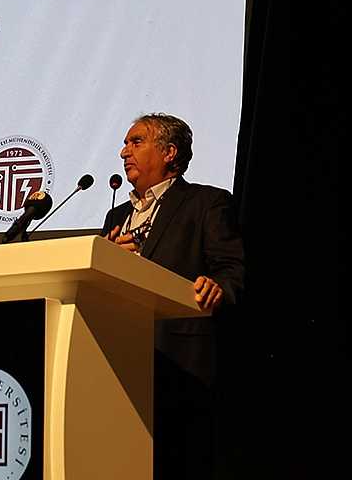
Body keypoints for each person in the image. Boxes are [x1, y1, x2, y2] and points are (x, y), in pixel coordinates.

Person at [101, 113, 246, 480]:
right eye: (125, 144)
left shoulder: (206, 203)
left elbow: (232, 271)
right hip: (120, 362)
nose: (124, 152)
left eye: (136, 142)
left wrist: (216, 288)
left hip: (180, 365)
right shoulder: (116, 216)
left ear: (169, 152)